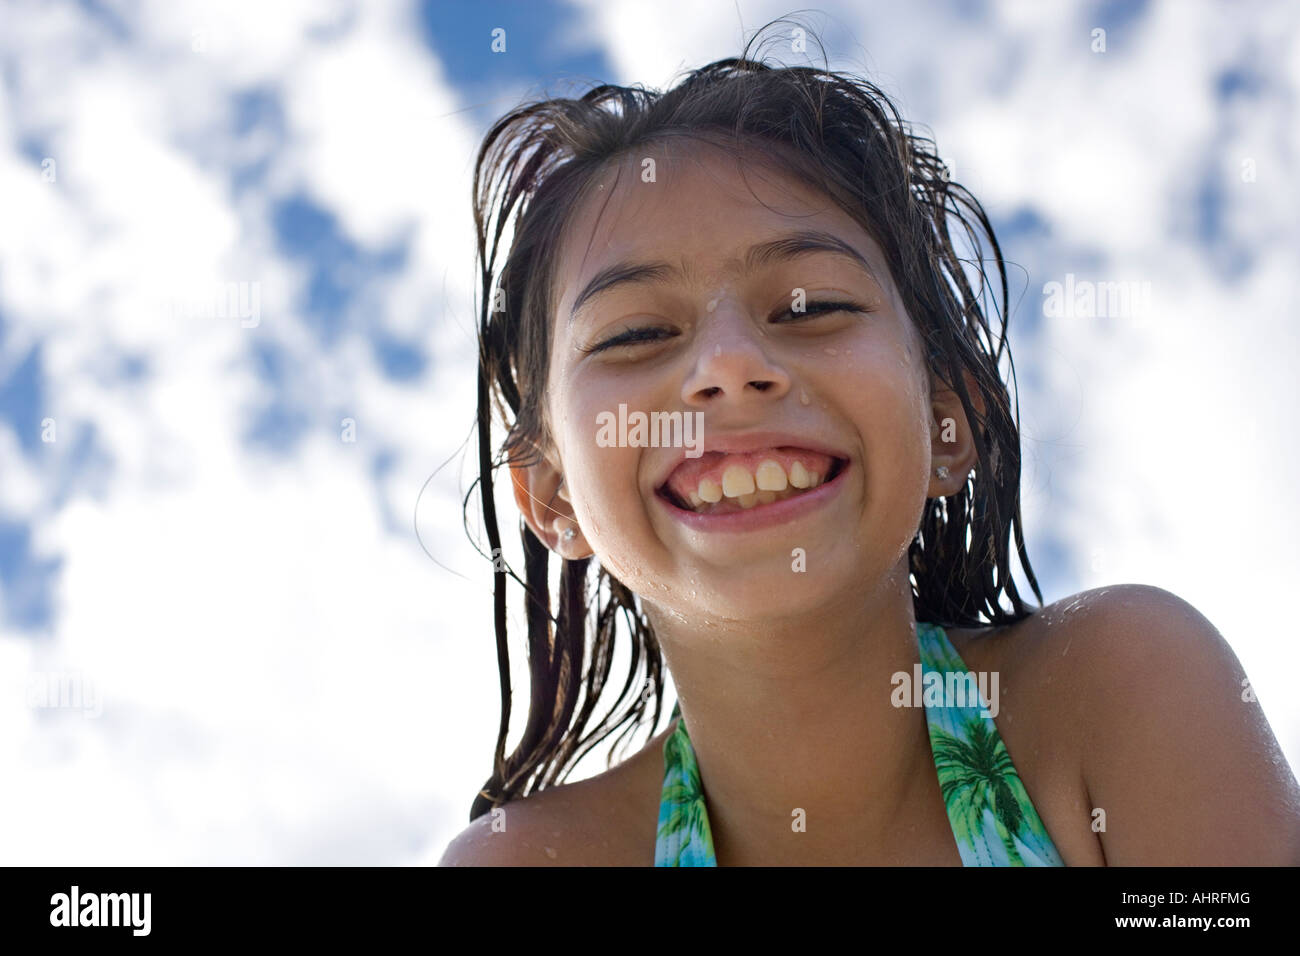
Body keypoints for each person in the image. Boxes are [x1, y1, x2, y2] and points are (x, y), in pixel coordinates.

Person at [439, 20, 1300, 866]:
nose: (731, 365)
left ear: (947, 422)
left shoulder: (1118, 692)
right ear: (550, 494)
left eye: (812, 308)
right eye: (634, 334)